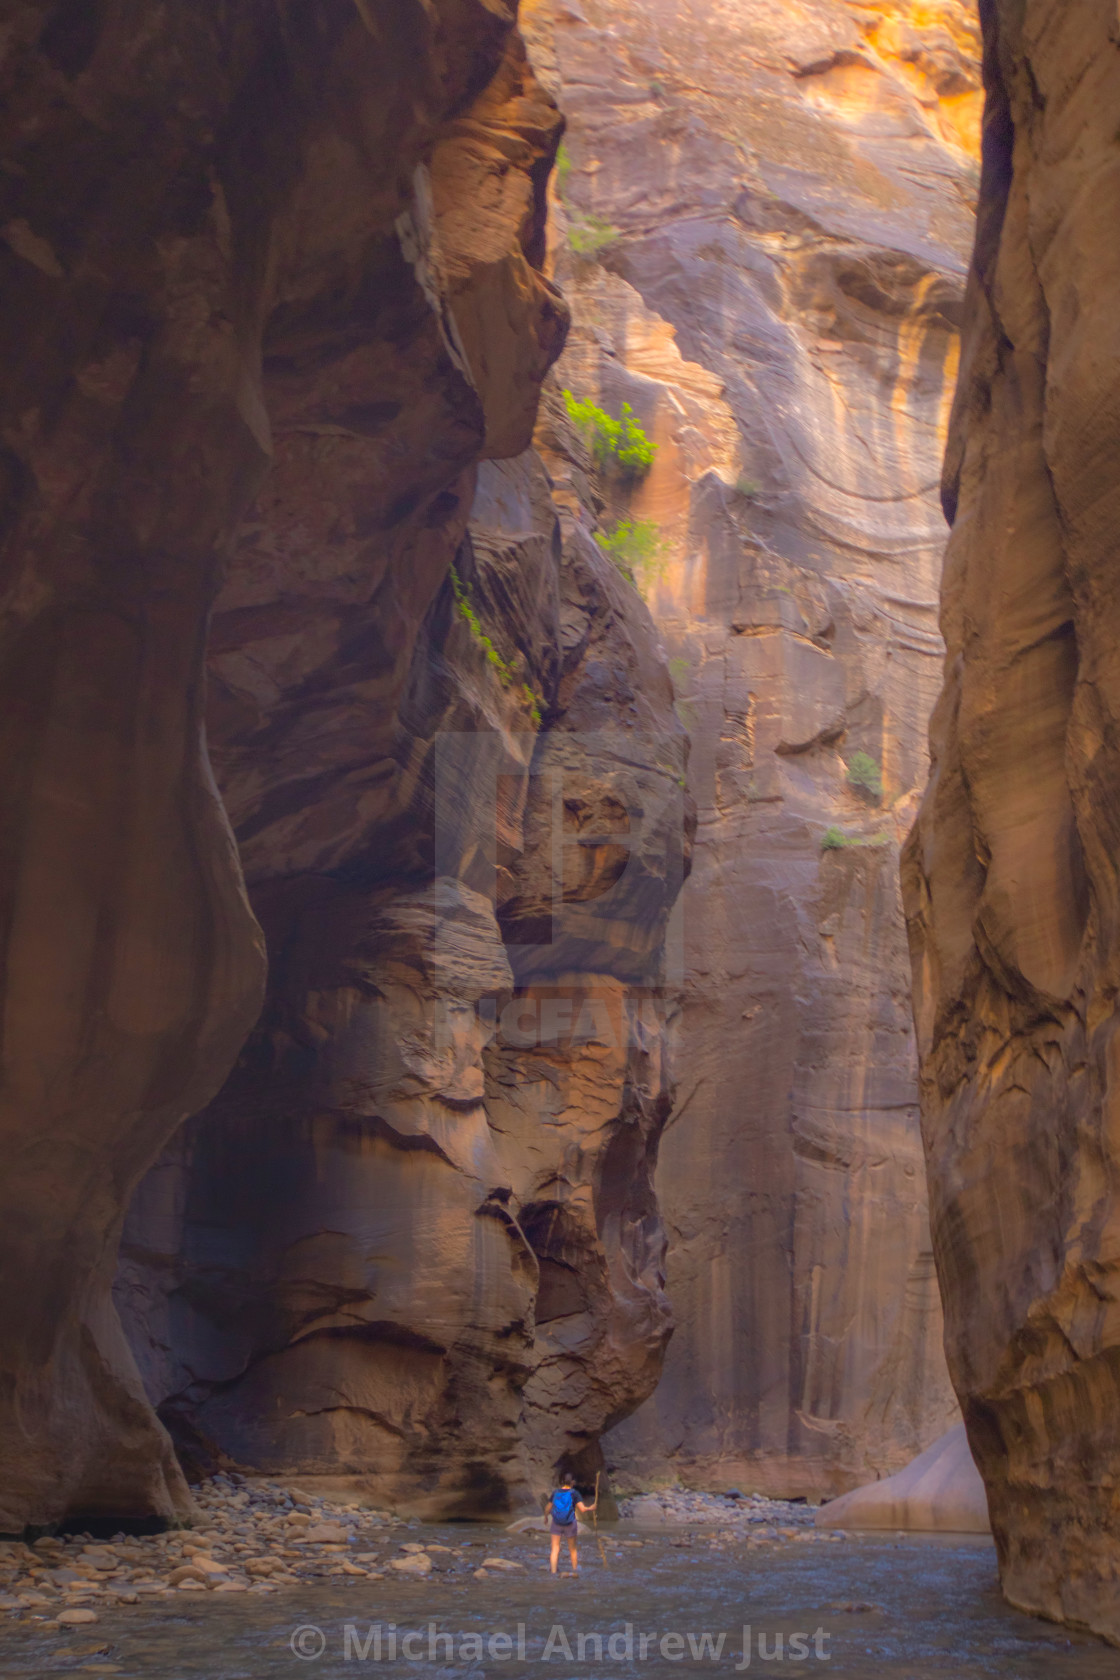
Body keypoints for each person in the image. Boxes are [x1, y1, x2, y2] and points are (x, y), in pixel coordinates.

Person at [547, 1473, 596, 1575]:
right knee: (572, 1549)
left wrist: (545, 1517)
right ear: (572, 1482)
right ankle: (574, 1570)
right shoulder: (574, 1493)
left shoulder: (555, 1492)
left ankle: (553, 1571)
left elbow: (548, 1507)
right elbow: (582, 1509)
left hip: (556, 1523)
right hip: (570, 1523)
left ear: (562, 1481)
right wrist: (590, 1508)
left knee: (555, 1548)